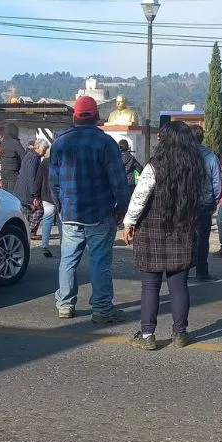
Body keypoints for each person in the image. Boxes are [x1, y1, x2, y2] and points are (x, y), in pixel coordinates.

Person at [122, 122, 207, 350]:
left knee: (150, 286)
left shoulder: (154, 166)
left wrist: (129, 223)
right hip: (183, 232)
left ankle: (148, 335)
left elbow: (140, 198)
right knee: (179, 286)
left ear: (165, 140)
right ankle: (180, 333)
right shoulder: (195, 168)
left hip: (152, 232)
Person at [50, 95, 130, 323]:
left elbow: (53, 183)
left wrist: (61, 207)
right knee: (99, 261)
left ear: (75, 116)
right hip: (99, 213)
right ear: (96, 116)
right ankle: (102, 309)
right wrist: (121, 208)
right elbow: (118, 181)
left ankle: (65, 305)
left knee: (68, 260)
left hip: (70, 214)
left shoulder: (59, 143)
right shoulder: (106, 143)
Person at [190, 127, 222, 282]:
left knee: (186, 236)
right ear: (203, 137)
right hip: (204, 203)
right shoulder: (211, 156)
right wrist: (215, 200)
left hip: (185, 203)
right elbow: (216, 181)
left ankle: (183, 269)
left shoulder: (183, 155)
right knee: (202, 238)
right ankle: (201, 271)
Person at [31, 145, 56, 258]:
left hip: (46, 195)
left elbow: (38, 179)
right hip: (59, 196)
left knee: (47, 221)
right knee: (62, 222)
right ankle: (66, 246)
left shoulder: (45, 162)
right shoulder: (63, 162)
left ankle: (45, 245)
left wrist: (36, 195)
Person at [0, 122, 29, 193]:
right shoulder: (15, 142)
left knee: (5, 192)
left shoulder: (3, 142)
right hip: (13, 170)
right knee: (13, 193)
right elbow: (23, 155)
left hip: (3, 170)